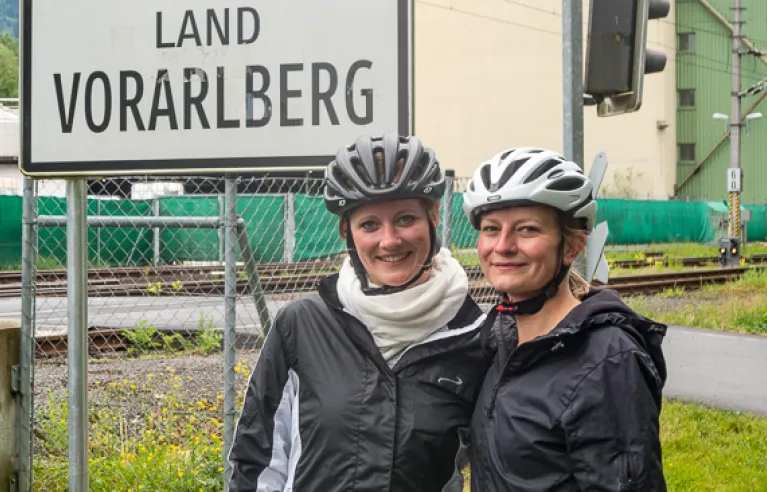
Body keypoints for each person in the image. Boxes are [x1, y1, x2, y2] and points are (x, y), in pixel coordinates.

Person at [228, 132, 489, 492]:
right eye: (369, 224)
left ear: (433, 215)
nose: (389, 240)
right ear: (346, 231)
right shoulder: (301, 326)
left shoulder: (476, 336)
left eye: (405, 219)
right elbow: (258, 462)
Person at [462, 147, 668, 491]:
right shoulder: (501, 337)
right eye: (490, 228)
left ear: (571, 247)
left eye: (526, 230)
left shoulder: (607, 359)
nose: (503, 245)